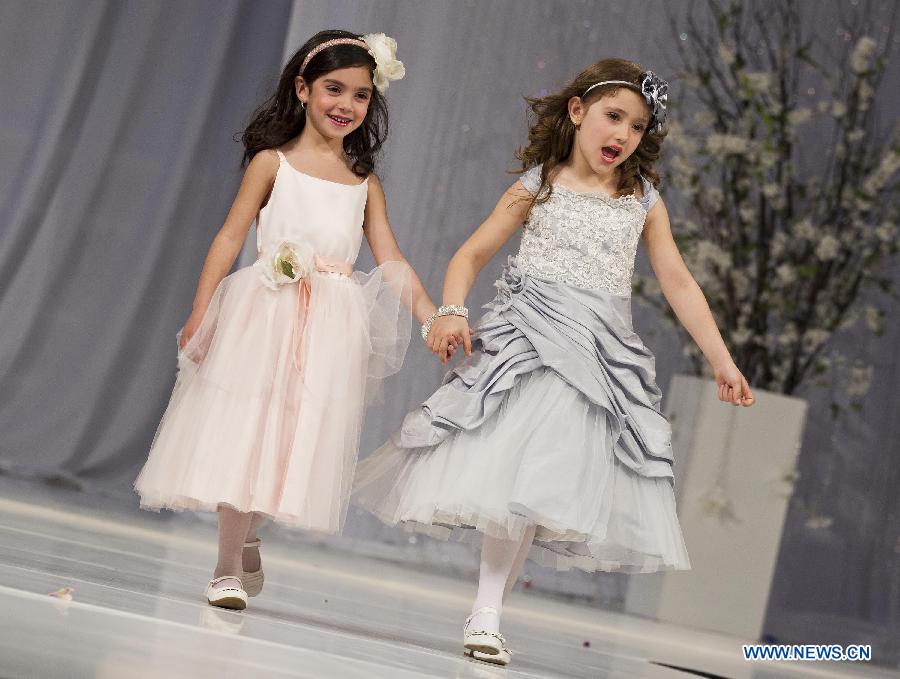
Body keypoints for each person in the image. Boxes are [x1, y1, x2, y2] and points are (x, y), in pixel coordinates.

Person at [353, 58, 755, 666]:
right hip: (530, 343)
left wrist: (722, 361)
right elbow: (470, 253)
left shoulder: (643, 201)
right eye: (612, 117)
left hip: (595, 357)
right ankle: (486, 612)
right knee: (516, 477)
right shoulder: (540, 184)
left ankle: (489, 611)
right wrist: (453, 309)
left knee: (537, 490)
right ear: (577, 112)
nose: (622, 135)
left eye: (638, 126)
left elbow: (678, 282)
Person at [135, 29, 437, 611]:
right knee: (246, 427)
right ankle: (225, 566)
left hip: (329, 322)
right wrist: (202, 311)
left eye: (361, 95)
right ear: (302, 89)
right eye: (333, 89)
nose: (346, 105)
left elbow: (391, 259)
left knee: (293, 436)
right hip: (265, 308)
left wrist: (431, 316)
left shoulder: (362, 183)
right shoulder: (272, 164)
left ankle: (249, 533)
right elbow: (229, 236)